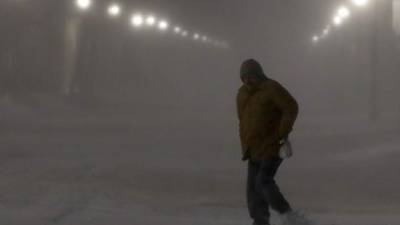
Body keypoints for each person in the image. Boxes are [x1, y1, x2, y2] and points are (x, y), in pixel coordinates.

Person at [236, 59, 311, 225]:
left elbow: (291, 107)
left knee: (263, 181)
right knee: (253, 190)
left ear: (259, 75)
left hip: (271, 145)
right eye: (244, 77)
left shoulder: (271, 88)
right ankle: (260, 221)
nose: (248, 80)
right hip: (252, 148)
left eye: (252, 76)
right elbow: (243, 120)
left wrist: (281, 132)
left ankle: (288, 216)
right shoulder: (242, 94)